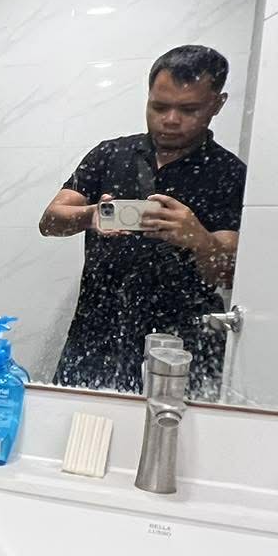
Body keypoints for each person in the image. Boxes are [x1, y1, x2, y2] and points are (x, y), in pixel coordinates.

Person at [38, 44, 246, 394]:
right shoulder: (110, 154)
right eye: (159, 106)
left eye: (189, 109)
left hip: (180, 347)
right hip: (96, 334)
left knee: (173, 426)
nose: (171, 119)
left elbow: (230, 277)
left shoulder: (230, 173)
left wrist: (199, 239)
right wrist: (90, 215)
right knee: (76, 422)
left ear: (217, 104)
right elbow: (49, 221)